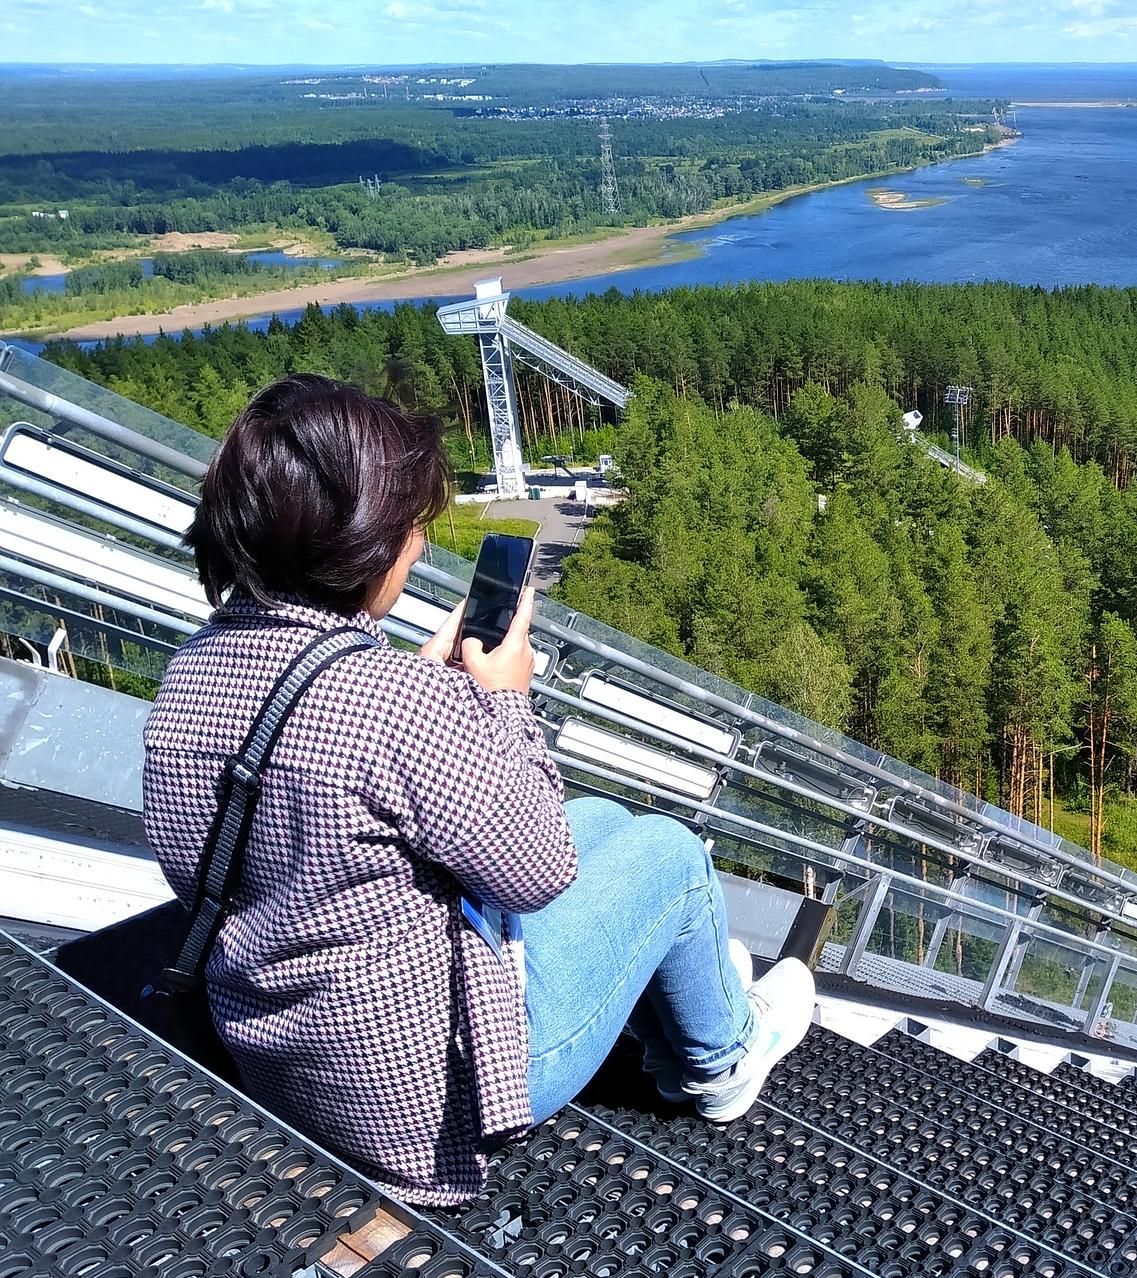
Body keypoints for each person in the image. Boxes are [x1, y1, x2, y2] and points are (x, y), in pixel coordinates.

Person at [143, 374, 814, 1206]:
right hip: (429, 1101)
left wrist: (415, 690)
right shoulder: (388, 703)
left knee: (600, 817)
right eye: (408, 529)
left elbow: (322, 805)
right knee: (673, 860)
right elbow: (537, 871)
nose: (419, 547)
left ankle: (687, 997)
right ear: (356, 549)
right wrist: (505, 697)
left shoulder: (190, 677)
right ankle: (722, 1061)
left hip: (284, 1052)